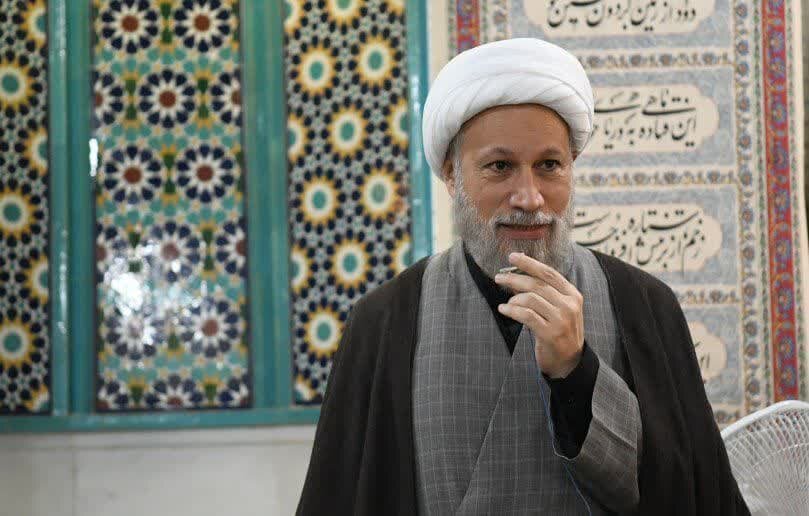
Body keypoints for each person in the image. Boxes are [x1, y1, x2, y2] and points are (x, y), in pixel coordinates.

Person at [297, 38, 749, 515]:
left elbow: (685, 492)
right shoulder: (385, 322)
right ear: (452, 176)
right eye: (500, 167)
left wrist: (576, 371)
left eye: (549, 166)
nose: (529, 197)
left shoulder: (644, 306)